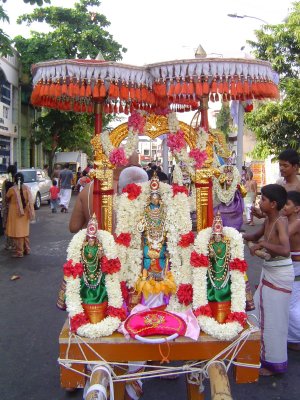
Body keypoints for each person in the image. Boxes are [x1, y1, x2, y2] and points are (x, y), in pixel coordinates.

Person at [243, 184, 293, 376]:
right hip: (269, 273)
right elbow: (252, 235)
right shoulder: (268, 219)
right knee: (254, 311)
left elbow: (285, 250)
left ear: (273, 204)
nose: (259, 201)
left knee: (273, 320)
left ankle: (274, 364)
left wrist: (262, 244)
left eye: (262, 199)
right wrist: (233, 234)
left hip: (280, 275)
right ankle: (259, 353)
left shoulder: (280, 221)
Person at [135, 173, 176, 308]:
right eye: (152, 197)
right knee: (147, 259)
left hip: (160, 241)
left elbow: (168, 226)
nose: (154, 199)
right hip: (148, 240)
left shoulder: (164, 211)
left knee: (160, 260)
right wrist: (143, 226)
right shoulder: (145, 210)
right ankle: (146, 298)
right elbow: (140, 226)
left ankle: (161, 300)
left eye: (156, 197)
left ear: (160, 199)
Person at [252, 149, 300, 219]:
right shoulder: (279, 183)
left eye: (285, 165)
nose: (281, 168)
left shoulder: (298, 187)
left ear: (295, 167)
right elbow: (277, 211)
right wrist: (262, 214)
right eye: (280, 165)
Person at [283, 191, 300, 351]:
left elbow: (279, 239)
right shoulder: (287, 221)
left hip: (296, 267)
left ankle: (296, 338)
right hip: (292, 267)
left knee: (292, 305)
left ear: (297, 209)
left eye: (287, 204)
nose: (283, 207)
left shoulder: (296, 222)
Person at [5, 172, 35, 258]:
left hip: (15, 213)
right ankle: (27, 249)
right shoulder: (27, 188)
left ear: (15, 180)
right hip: (25, 213)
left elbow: (7, 198)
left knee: (17, 233)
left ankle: (19, 252)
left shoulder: (12, 189)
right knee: (24, 232)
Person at [1, 164, 17, 250]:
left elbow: (4, 196)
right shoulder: (17, 182)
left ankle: (8, 243)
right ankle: (15, 244)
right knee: (15, 226)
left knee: (7, 226)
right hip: (15, 208)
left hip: (7, 207)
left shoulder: (6, 182)